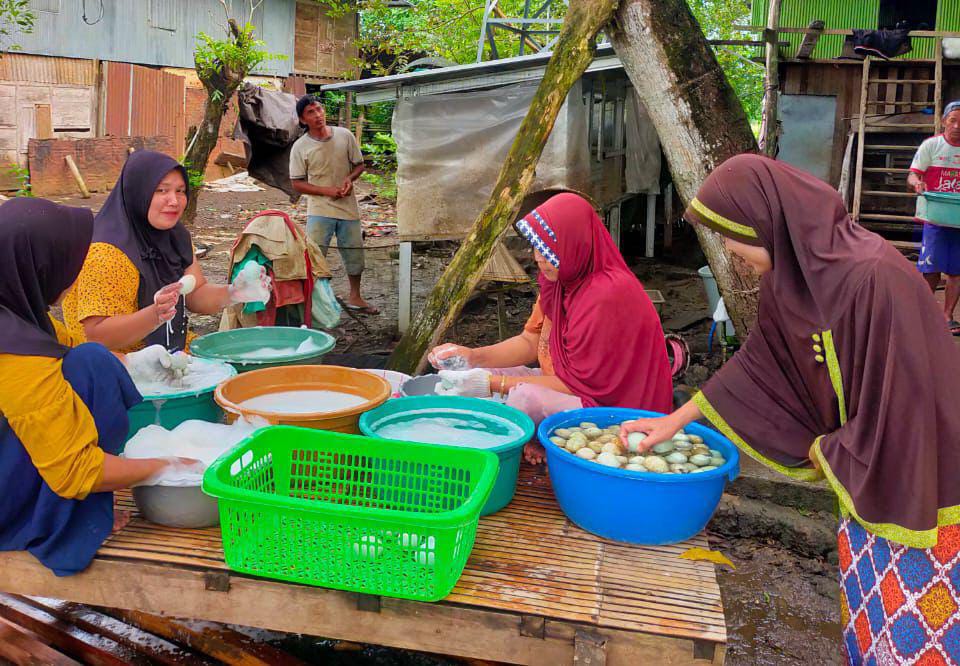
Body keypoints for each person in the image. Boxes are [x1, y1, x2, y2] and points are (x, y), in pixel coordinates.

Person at [621, 154, 960, 665]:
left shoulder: (876, 279)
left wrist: (835, 449)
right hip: (863, 479)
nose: (734, 258)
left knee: (918, 630)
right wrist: (672, 421)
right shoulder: (792, 279)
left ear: (768, 223)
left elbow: (915, 402)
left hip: (920, 484)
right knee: (869, 620)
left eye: (736, 242)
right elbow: (761, 363)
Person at [0, 198, 198, 576]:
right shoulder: (16, 356)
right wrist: (166, 466)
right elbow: (75, 470)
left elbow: (71, 350)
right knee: (93, 366)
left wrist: (137, 361)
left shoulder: (18, 314)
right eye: (68, 264)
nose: (74, 277)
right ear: (38, 266)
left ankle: (71, 512)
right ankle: (50, 525)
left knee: (92, 361)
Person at [430, 193, 673, 464]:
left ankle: (521, 450)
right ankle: (531, 440)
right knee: (477, 374)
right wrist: (473, 357)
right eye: (536, 248)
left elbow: (580, 387)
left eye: (548, 250)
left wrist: (493, 385)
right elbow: (530, 342)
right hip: (567, 384)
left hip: (615, 410)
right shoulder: (560, 281)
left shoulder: (605, 295)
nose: (538, 258)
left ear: (575, 244)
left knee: (522, 395)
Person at [62, 150, 267, 354]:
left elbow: (195, 294)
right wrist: (155, 315)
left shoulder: (177, 237)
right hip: (118, 363)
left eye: (180, 191)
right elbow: (98, 336)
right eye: (161, 190)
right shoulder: (106, 252)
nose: (174, 201)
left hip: (168, 350)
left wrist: (234, 292)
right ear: (137, 192)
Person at [289, 95, 378, 314]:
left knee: (354, 253)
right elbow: (297, 183)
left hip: (348, 208)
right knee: (315, 256)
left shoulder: (344, 136)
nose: (317, 115)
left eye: (319, 109)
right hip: (319, 210)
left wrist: (349, 179)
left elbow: (359, 165)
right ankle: (313, 302)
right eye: (311, 112)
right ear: (302, 120)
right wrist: (327, 191)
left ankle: (355, 297)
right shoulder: (300, 147)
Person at [908, 100, 960, 334]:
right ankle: (923, 314)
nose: (957, 126)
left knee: (956, 271)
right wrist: (917, 183)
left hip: (958, 220)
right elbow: (913, 175)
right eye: (953, 121)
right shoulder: (931, 146)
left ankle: (947, 317)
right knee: (929, 268)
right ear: (943, 122)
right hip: (934, 217)